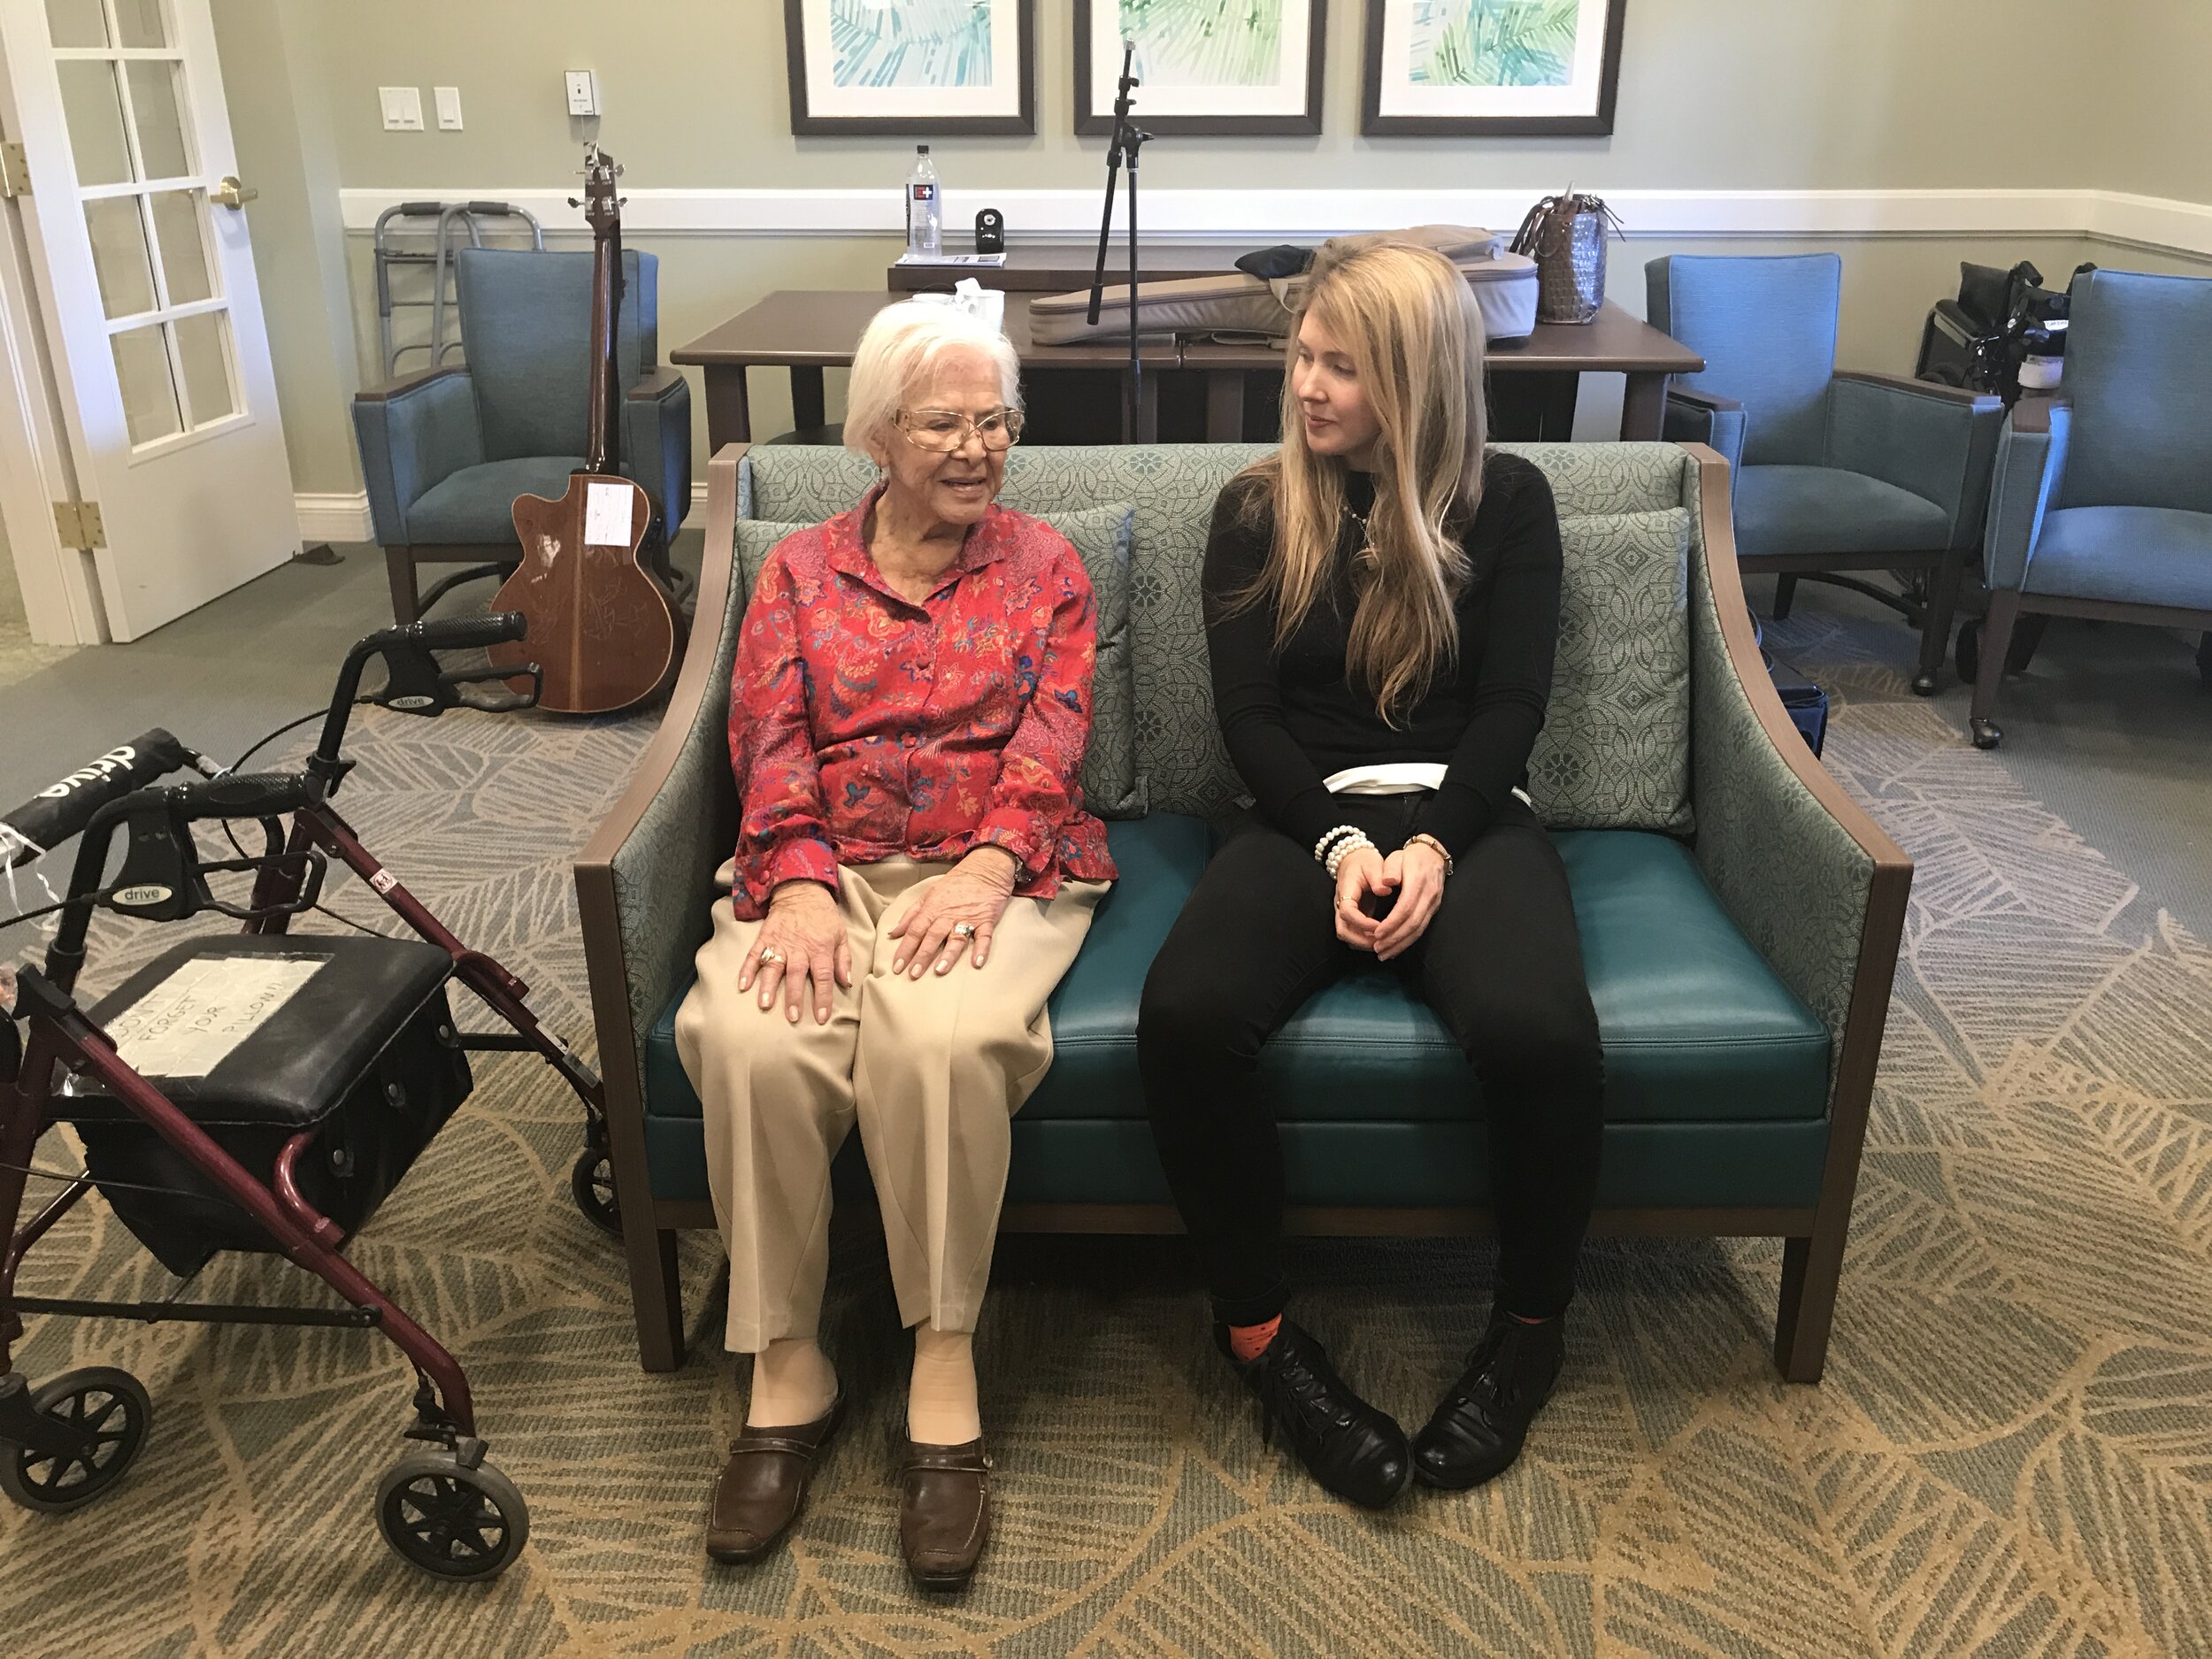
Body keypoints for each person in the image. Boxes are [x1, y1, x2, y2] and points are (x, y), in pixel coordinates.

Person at [1137, 244, 1603, 1510]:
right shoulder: (1252, 508)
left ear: (1417, 377)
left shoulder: (1507, 502)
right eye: (1302, 355)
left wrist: (1438, 843)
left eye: (1343, 365)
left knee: (1542, 1031)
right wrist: (1340, 845)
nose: (1307, 385)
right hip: (1304, 818)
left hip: (1469, 813)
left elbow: (1513, 703)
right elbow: (1249, 716)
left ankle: (1527, 1330)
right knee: (1183, 1017)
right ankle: (1263, 1343)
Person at [673, 300, 1115, 1590]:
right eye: (944, 422)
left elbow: (1053, 744)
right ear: (877, 433)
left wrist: (983, 871)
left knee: (943, 1037)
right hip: (823, 864)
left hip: (995, 869)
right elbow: (767, 742)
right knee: (752, 1036)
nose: (976, 447)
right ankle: (787, 1362)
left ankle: (941, 1353)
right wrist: (801, 884)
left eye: (996, 421)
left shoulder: (1049, 567)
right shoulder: (799, 573)